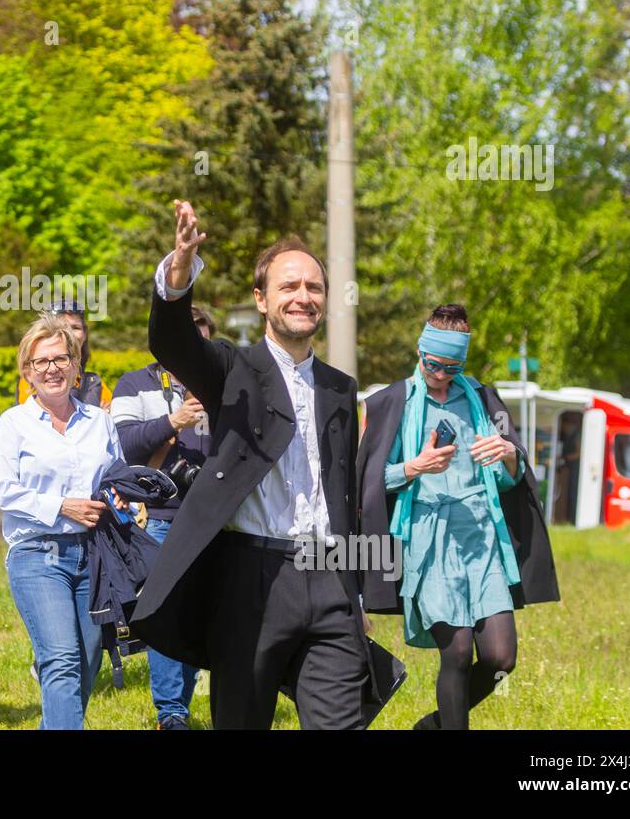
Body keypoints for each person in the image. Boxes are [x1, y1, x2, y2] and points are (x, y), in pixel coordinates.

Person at [130, 201, 373, 730]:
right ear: (262, 300)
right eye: (289, 287)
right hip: (252, 577)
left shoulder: (339, 388)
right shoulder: (232, 368)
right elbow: (171, 339)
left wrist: (355, 588)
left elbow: (343, 492)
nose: (303, 297)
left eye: (313, 287)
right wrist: (179, 270)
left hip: (327, 575)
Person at [356, 304, 560, 730]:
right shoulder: (390, 403)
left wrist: (508, 456)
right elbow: (369, 481)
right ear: (420, 349)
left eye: (453, 366)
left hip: (484, 538)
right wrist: (415, 466)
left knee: (501, 658)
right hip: (429, 540)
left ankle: (432, 725)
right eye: (433, 363)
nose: (441, 374)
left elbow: (508, 482)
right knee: (457, 651)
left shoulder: (482, 399)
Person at [0, 312, 126, 729]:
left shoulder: (100, 421)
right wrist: (61, 506)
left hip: (94, 556)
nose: (52, 368)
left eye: (61, 358)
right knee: (61, 659)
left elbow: (117, 475)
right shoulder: (13, 424)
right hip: (38, 554)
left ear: (76, 364)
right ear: (27, 372)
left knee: (88, 660)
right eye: (41, 362)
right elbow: (3, 490)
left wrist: (120, 496)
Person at [109, 304, 215, 730]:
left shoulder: (223, 387)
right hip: (159, 516)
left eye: (202, 344)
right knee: (168, 611)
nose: (194, 352)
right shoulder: (134, 384)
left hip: (212, 520)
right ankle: (171, 713)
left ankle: (181, 707)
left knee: (197, 615)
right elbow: (122, 445)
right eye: (186, 342)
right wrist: (173, 419)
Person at [14, 301, 113, 408]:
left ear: (84, 335)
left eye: (75, 327)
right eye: (63, 326)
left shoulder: (93, 382)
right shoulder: (34, 377)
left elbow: (111, 414)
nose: (69, 333)